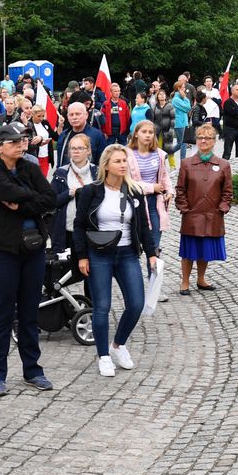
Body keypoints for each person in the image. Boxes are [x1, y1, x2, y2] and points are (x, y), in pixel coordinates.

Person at [0, 123, 57, 396]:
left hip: (33, 249)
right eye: (14, 142)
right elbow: (7, 192)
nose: (21, 145)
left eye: (22, 140)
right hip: (1, 251)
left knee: (29, 313)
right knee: (1, 315)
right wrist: (30, 196)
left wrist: (24, 204)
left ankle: (32, 370)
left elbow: (50, 199)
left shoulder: (30, 167)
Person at [73, 145, 158, 377]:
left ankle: (118, 345)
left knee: (136, 304)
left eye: (125, 161)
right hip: (99, 254)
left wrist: (152, 253)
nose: (123, 165)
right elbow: (79, 225)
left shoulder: (134, 191)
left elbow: (143, 227)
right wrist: (81, 256)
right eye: (118, 161)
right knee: (102, 307)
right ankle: (103, 356)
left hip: (127, 254)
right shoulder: (92, 191)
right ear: (106, 165)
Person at [174, 124, 231, 295]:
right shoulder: (186, 163)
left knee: (204, 249)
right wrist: (184, 209)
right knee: (189, 250)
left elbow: (227, 191)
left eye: (207, 138)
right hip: (192, 214)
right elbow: (180, 189)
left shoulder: (223, 165)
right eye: (200, 137)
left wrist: (222, 208)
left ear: (214, 141)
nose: (203, 141)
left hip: (212, 215)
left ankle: (201, 278)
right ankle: (185, 281)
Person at [126, 121, 172, 263]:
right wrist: (151, 187)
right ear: (136, 134)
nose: (147, 135)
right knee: (134, 245)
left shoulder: (158, 154)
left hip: (154, 204)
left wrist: (169, 190)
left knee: (154, 247)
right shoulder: (127, 154)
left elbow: (164, 175)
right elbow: (126, 180)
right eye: (144, 132)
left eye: (150, 133)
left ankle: (154, 281)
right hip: (135, 203)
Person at [50, 134, 96, 253]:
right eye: (73, 148)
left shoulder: (97, 173)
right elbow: (51, 202)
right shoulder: (61, 173)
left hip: (92, 230)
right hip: (66, 230)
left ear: (88, 151)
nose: (76, 151)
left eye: (80, 148)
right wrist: (69, 193)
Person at [55, 102, 108, 168]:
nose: (74, 117)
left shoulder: (97, 136)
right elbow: (60, 162)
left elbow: (102, 162)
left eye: (78, 114)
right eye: (71, 115)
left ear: (86, 115)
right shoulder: (64, 135)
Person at [220, 81, 238, 160]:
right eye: (237, 90)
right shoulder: (228, 103)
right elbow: (234, 113)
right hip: (230, 129)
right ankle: (224, 168)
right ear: (232, 91)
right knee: (227, 152)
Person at [24, 103, 55, 177]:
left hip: (45, 157)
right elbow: (26, 142)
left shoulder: (45, 123)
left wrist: (60, 125)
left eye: (43, 116)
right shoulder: (28, 124)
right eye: (39, 116)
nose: (41, 118)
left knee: (43, 180)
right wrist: (39, 141)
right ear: (32, 114)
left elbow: (55, 136)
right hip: (34, 156)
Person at [171, 82, 193, 160]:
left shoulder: (179, 98)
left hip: (183, 123)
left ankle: (166, 154)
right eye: (183, 87)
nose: (185, 89)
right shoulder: (176, 99)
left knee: (181, 143)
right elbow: (187, 108)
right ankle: (182, 160)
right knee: (182, 143)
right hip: (179, 123)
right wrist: (185, 98)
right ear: (179, 89)